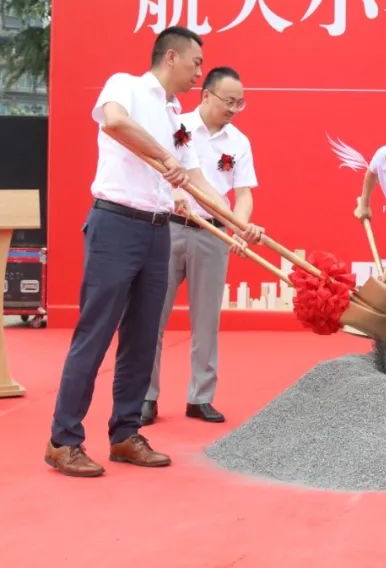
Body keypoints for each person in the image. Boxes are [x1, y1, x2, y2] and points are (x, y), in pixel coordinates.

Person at [46, 26, 227, 477]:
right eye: (196, 63)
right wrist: (165, 159)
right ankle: (63, 440)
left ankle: (125, 433)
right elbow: (115, 123)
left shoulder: (177, 119)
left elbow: (196, 179)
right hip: (116, 223)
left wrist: (238, 224)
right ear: (171, 57)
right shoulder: (125, 85)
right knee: (96, 332)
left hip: (157, 230)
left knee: (144, 337)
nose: (199, 73)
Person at [142, 67, 263, 426]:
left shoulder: (239, 142)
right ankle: (145, 396)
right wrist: (175, 193)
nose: (234, 109)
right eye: (229, 101)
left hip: (213, 233)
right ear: (206, 95)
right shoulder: (176, 126)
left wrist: (239, 227)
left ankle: (201, 397)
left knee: (207, 320)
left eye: (240, 103)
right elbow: (158, 171)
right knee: (152, 316)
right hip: (169, 227)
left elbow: (243, 193)